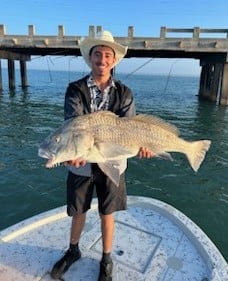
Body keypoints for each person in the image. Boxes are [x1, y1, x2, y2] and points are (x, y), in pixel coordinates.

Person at [50, 30, 154, 281]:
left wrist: (144, 145)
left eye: (108, 55)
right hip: (82, 163)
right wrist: (71, 153)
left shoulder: (125, 93)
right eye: (98, 54)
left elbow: (131, 127)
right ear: (90, 58)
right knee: (78, 210)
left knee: (107, 212)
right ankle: (73, 250)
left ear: (114, 60)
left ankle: (106, 258)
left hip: (113, 162)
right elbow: (72, 125)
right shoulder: (74, 89)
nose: (103, 60)